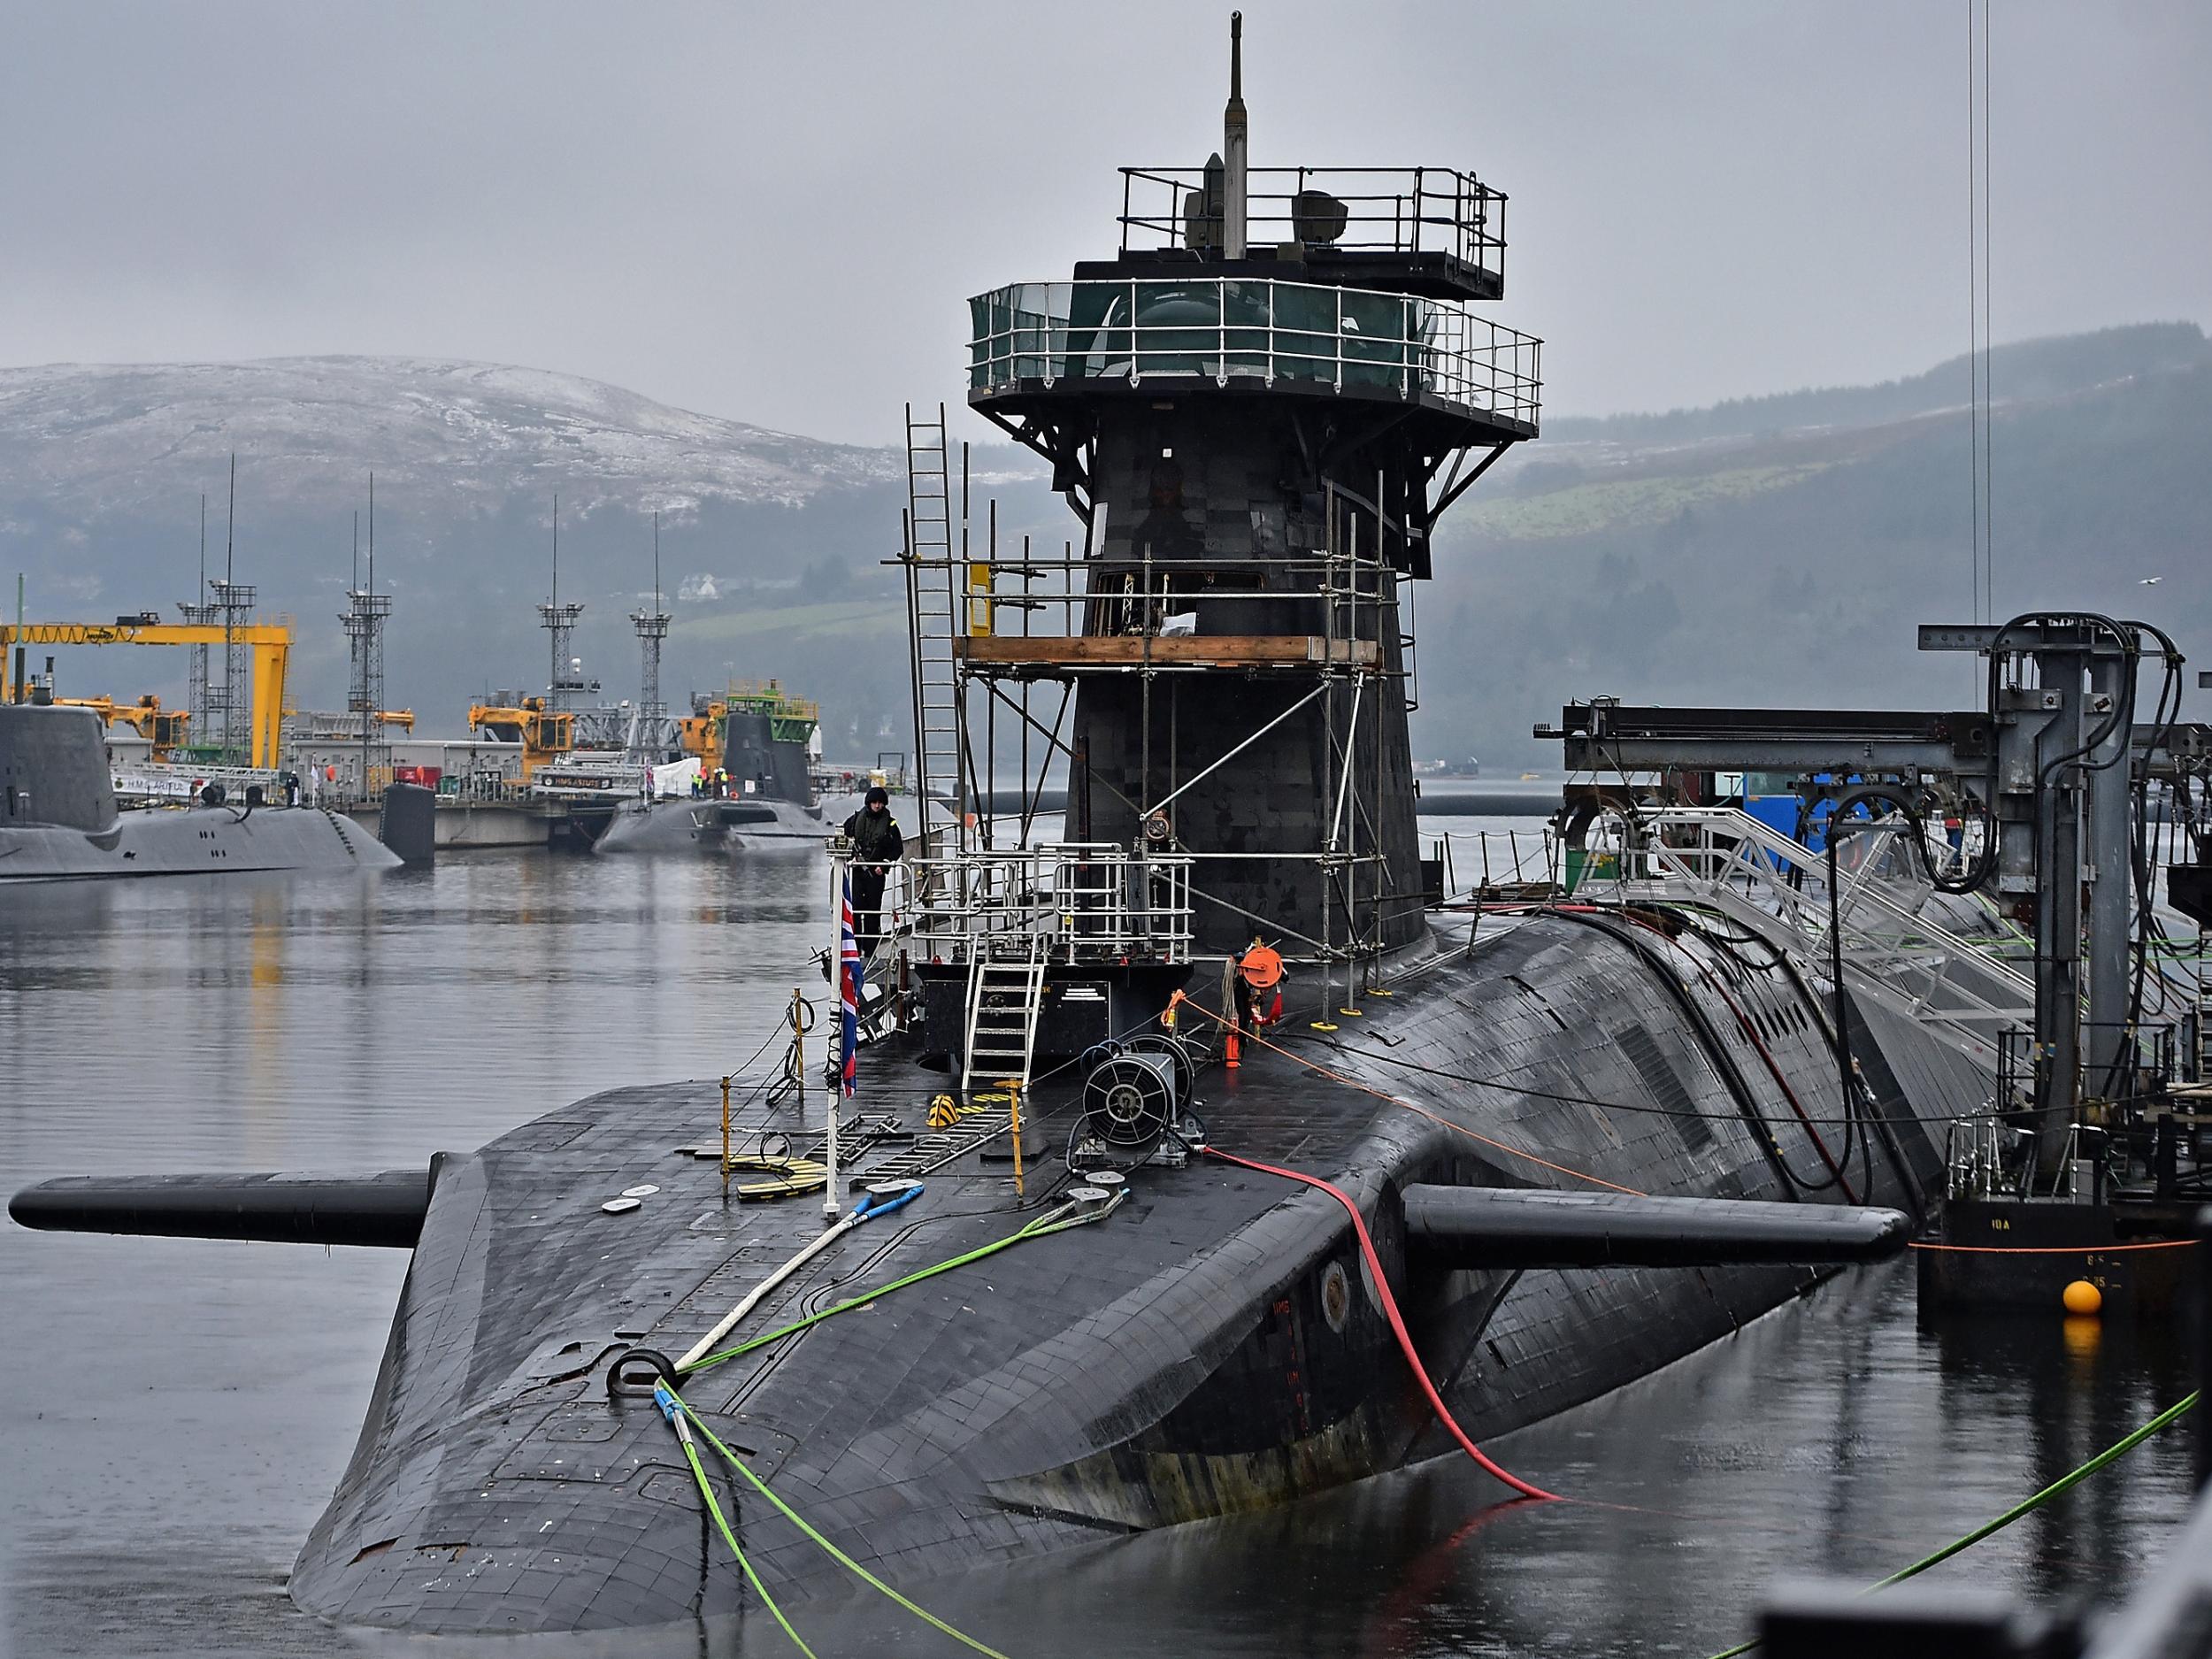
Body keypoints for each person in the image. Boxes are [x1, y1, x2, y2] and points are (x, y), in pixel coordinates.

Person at [841, 785, 903, 954]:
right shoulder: (855, 820)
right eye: (874, 802)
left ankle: (870, 950)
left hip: (876, 872)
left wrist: (884, 864)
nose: (877, 806)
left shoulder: (890, 824)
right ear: (869, 803)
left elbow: (897, 848)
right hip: (857, 870)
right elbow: (842, 837)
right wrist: (850, 857)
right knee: (856, 908)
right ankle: (854, 946)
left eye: (880, 803)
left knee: (872, 911)